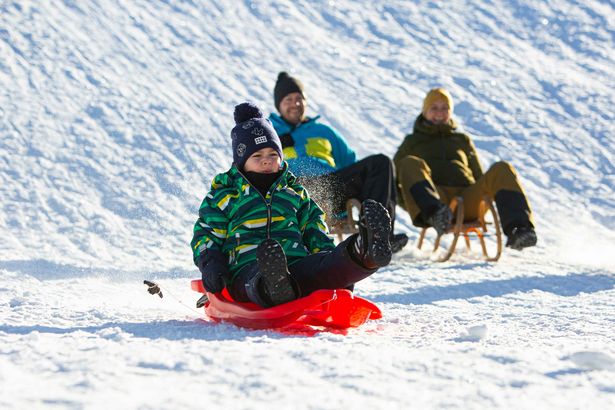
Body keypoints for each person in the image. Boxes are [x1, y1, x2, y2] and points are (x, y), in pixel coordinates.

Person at [190, 102, 393, 307]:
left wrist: (332, 265)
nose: (267, 161)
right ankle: (273, 286)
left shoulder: (294, 192)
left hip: (296, 264)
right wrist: (211, 265)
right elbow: (206, 235)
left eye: (273, 154)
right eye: (257, 156)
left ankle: (364, 252)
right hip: (245, 269)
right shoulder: (225, 195)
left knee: (323, 266)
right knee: (253, 280)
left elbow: (314, 228)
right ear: (241, 161)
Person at [268, 71, 408, 253]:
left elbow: (350, 162)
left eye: (299, 98)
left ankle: (378, 237)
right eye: (288, 100)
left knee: (380, 164)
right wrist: (276, 142)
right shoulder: (269, 132)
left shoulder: (324, 131)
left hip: (331, 187)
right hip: (295, 191)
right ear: (279, 105)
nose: (295, 104)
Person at [394, 88, 537, 250]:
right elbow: (394, 180)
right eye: (434, 108)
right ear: (424, 111)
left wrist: (481, 198)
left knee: (502, 169)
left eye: (444, 108)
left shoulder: (462, 140)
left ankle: (520, 230)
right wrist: (412, 205)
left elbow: (479, 176)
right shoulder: (412, 142)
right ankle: (435, 215)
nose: (439, 113)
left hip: (467, 200)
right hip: (437, 200)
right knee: (410, 163)